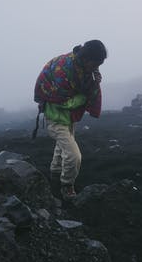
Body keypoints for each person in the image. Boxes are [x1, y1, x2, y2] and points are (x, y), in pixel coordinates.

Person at [33, 40, 107, 200]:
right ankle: (67, 186)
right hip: (55, 116)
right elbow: (64, 100)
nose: (96, 68)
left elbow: (84, 86)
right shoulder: (64, 70)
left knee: (62, 148)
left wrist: (94, 82)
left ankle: (54, 180)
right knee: (74, 155)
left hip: (67, 116)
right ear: (87, 59)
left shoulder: (83, 68)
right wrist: (84, 97)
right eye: (95, 64)